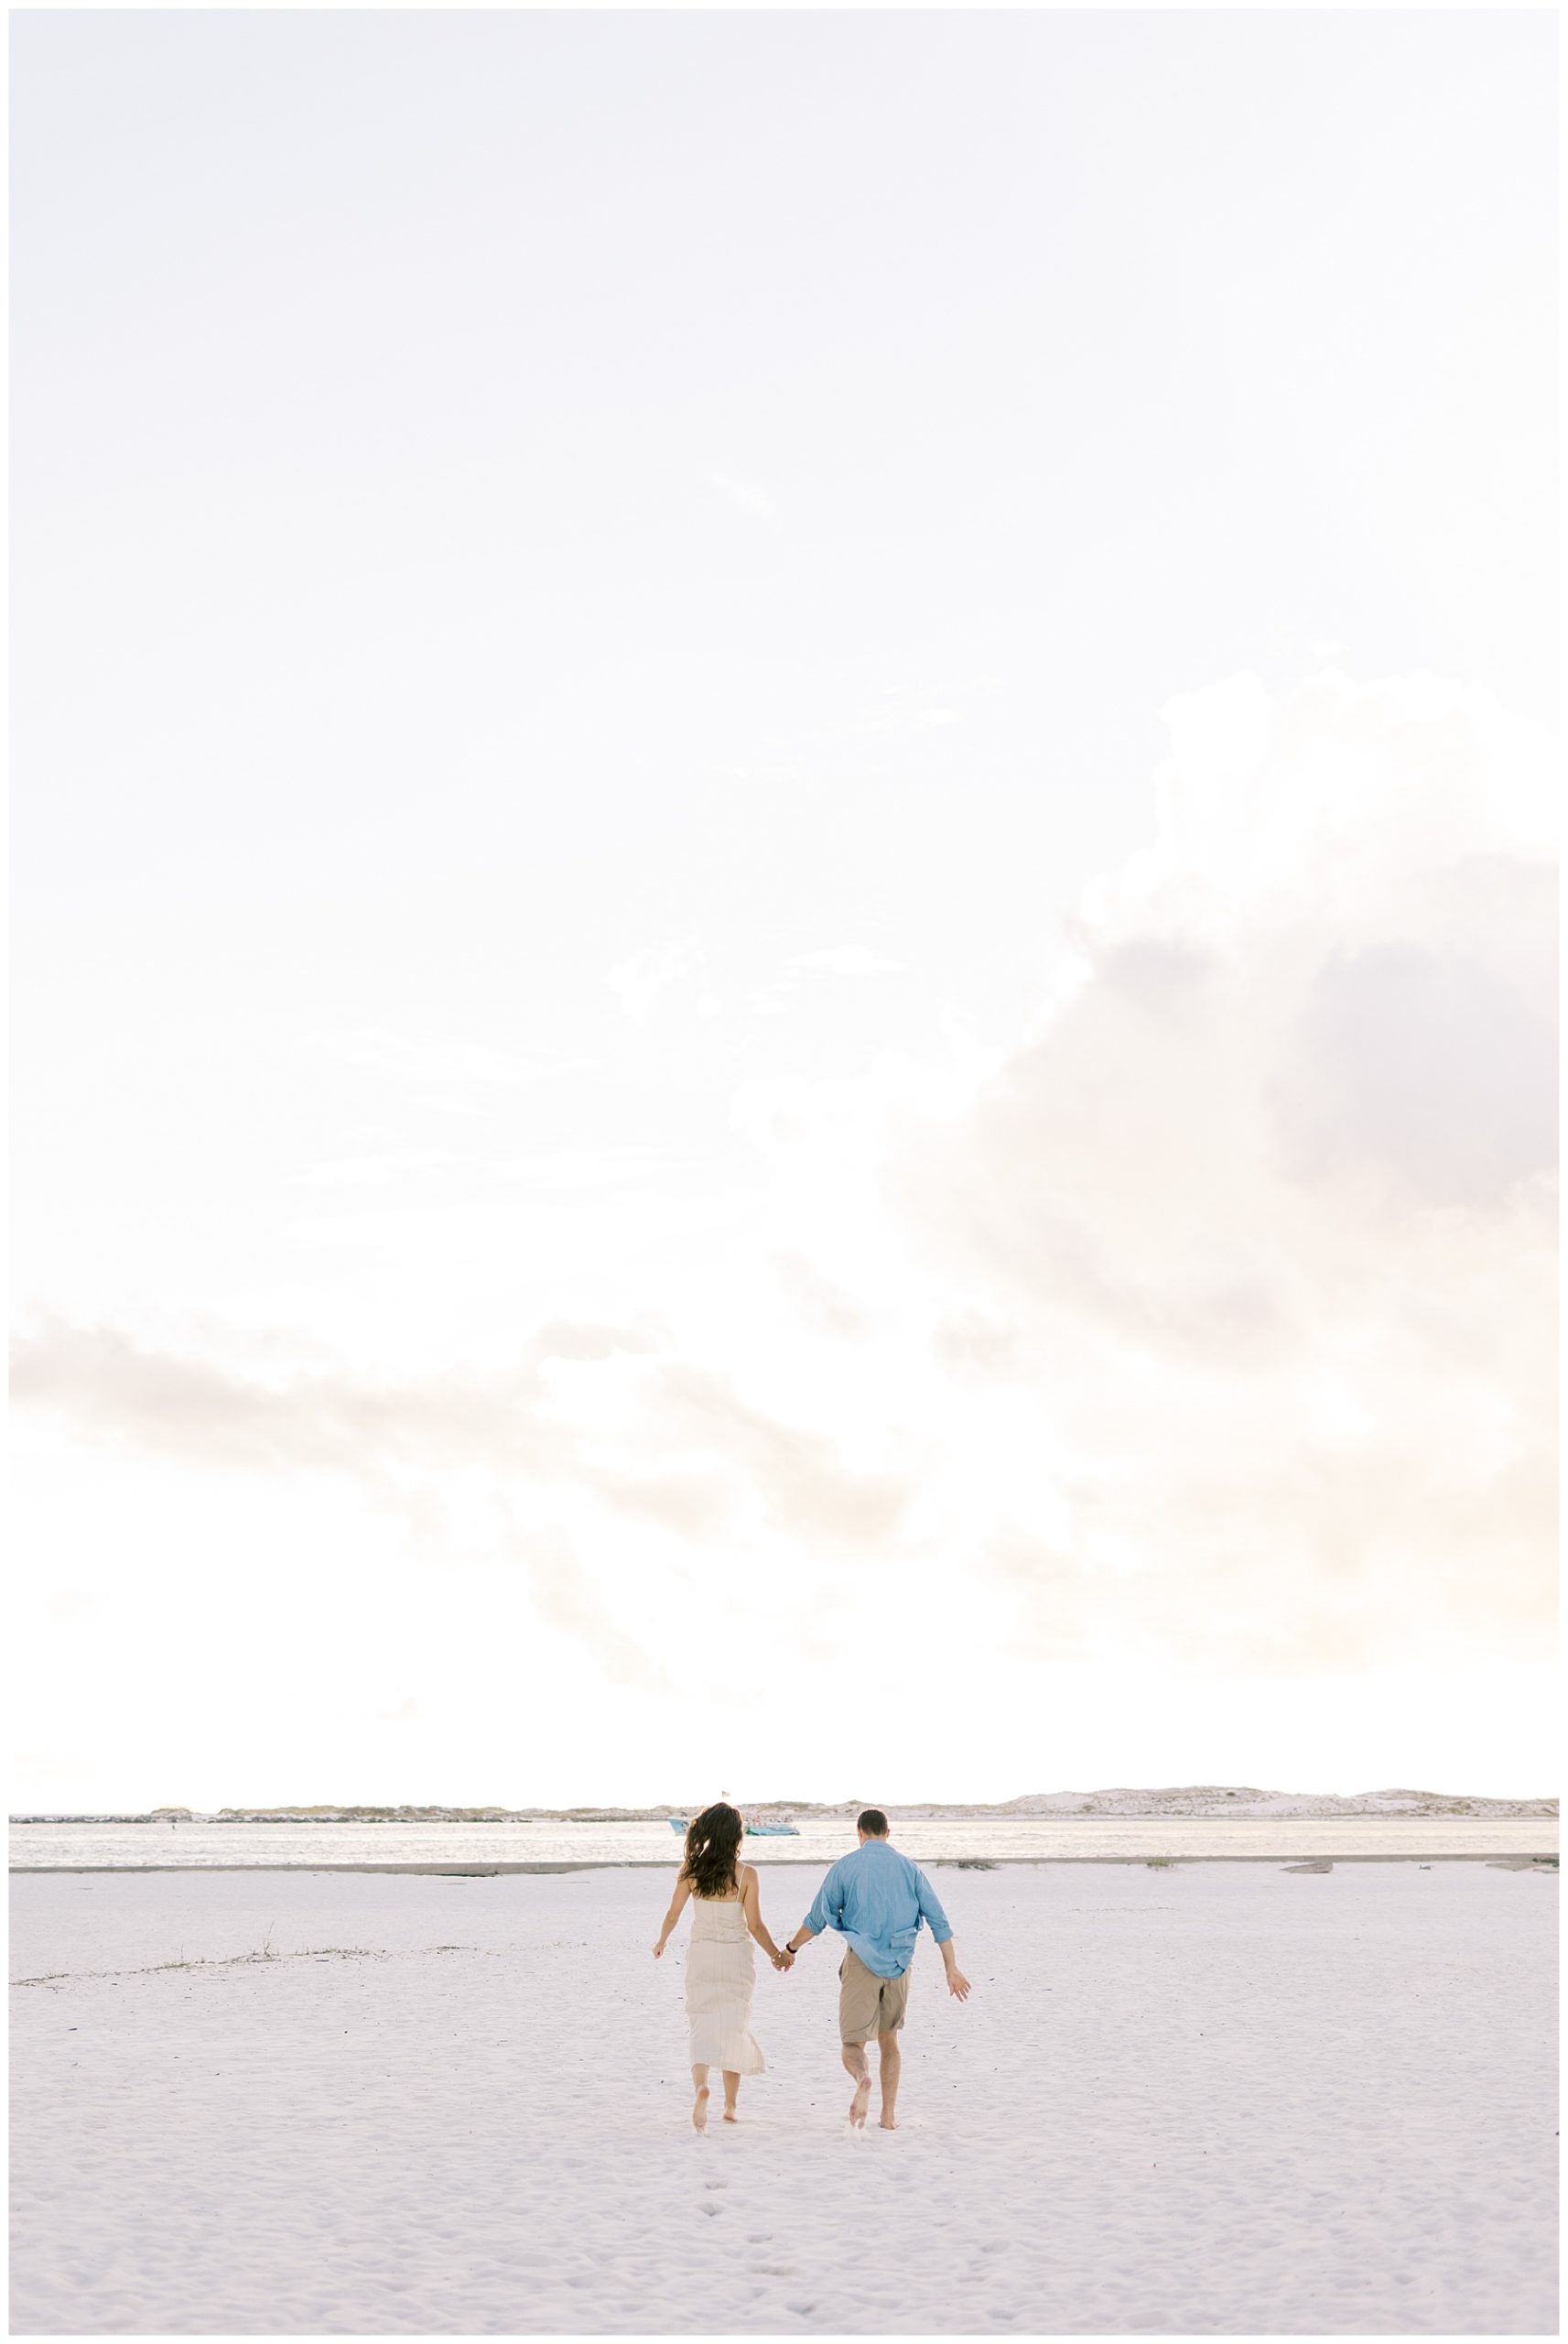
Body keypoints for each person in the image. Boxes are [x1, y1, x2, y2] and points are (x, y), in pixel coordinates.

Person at [778, 1807, 970, 2130]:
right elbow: (939, 1922)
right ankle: (888, 2117)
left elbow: (817, 1919)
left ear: (859, 1832)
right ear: (888, 1832)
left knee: (853, 2044)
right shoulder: (910, 1869)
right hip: (899, 1965)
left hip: (861, 1963)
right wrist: (952, 1968)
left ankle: (862, 2078)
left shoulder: (846, 1867)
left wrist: (790, 1949)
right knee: (890, 2039)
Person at [654, 1801, 789, 2130]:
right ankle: (730, 2106)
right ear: (736, 1835)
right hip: (735, 1959)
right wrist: (776, 1955)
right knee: (733, 2026)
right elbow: (755, 1926)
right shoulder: (747, 1875)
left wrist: (662, 1942)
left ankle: (701, 2088)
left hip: (702, 1955)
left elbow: (673, 1913)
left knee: (700, 2023)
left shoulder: (692, 1870)